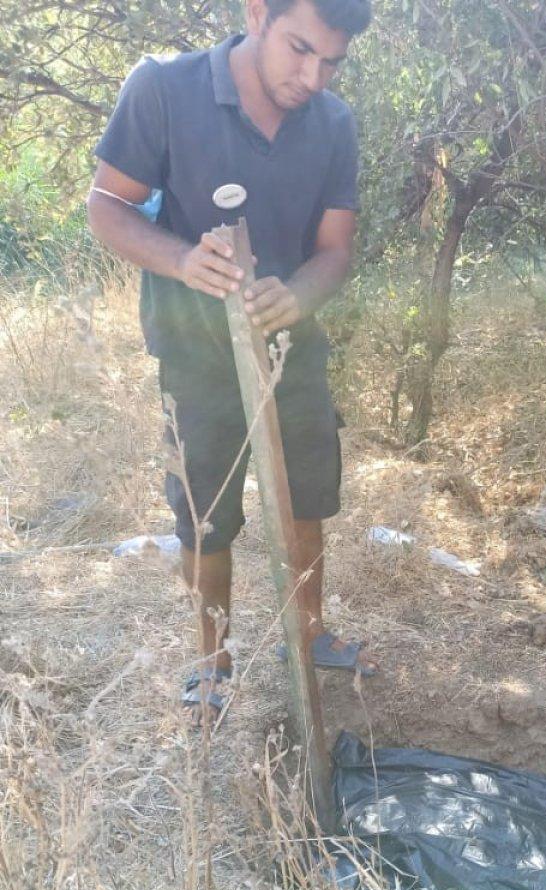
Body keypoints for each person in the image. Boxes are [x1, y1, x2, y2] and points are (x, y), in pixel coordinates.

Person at [87, 0, 376, 723]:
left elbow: (334, 249)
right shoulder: (162, 89)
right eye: (299, 49)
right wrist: (184, 260)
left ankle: (305, 631)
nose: (312, 77)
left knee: (308, 499)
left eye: (332, 62)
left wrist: (299, 297)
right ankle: (210, 660)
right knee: (205, 519)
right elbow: (106, 206)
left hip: (293, 351)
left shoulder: (333, 124)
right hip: (195, 355)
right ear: (256, 14)